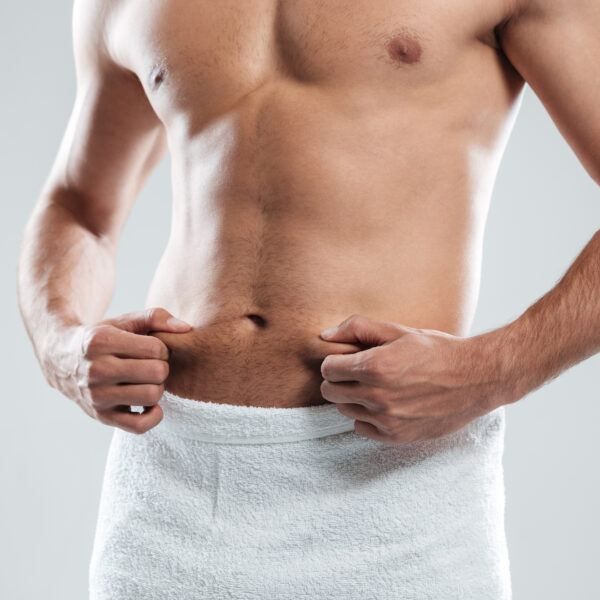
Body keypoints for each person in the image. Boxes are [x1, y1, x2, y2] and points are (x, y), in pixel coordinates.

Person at [16, 0, 600, 598]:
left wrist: (492, 370)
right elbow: (78, 206)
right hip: (171, 491)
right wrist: (62, 346)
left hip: (396, 497)